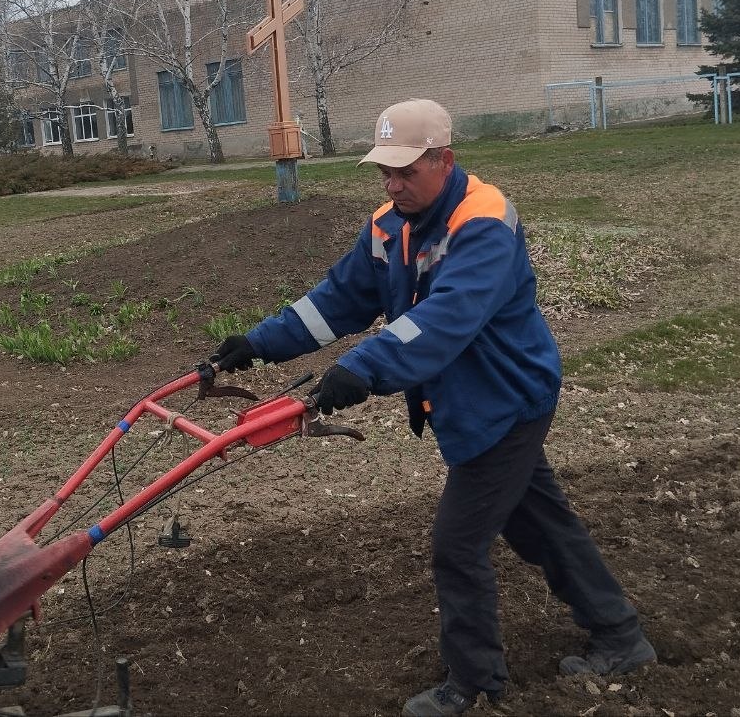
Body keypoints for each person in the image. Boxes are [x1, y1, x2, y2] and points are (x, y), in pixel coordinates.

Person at [213, 99, 655, 715]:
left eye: (406, 172)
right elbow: (336, 301)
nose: (392, 185)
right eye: (384, 173)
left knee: (458, 544)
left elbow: (445, 320)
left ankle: (474, 684)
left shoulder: (483, 221)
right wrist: (257, 345)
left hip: (505, 399)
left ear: (444, 161)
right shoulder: (390, 225)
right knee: (538, 523)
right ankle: (619, 634)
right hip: (466, 399)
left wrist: (361, 370)